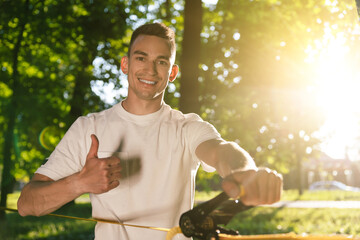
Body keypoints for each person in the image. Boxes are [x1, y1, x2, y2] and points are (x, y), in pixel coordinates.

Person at [17, 22, 282, 240]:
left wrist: (244, 173)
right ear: (125, 64)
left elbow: (222, 150)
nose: (150, 70)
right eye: (141, 58)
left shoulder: (186, 127)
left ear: (173, 72)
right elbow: (27, 204)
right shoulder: (89, 127)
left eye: (161, 62)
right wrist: (80, 183)